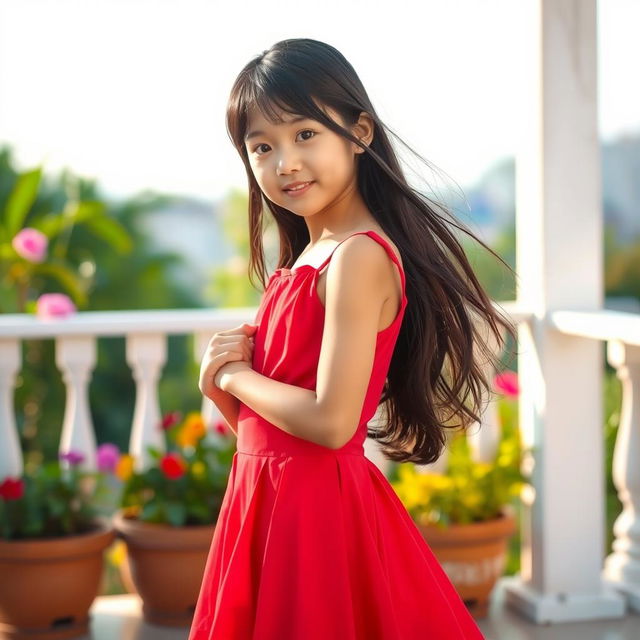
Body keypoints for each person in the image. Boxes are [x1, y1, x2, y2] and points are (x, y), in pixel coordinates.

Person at [189, 37, 517, 640]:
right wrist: (222, 392)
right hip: (268, 502)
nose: (284, 162)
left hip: (315, 520)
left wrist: (235, 376)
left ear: (359, 130)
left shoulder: (358, 257)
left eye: (305, 135)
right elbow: (279, 440)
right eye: (262, 146)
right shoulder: (310, 255)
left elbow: (332, 424)